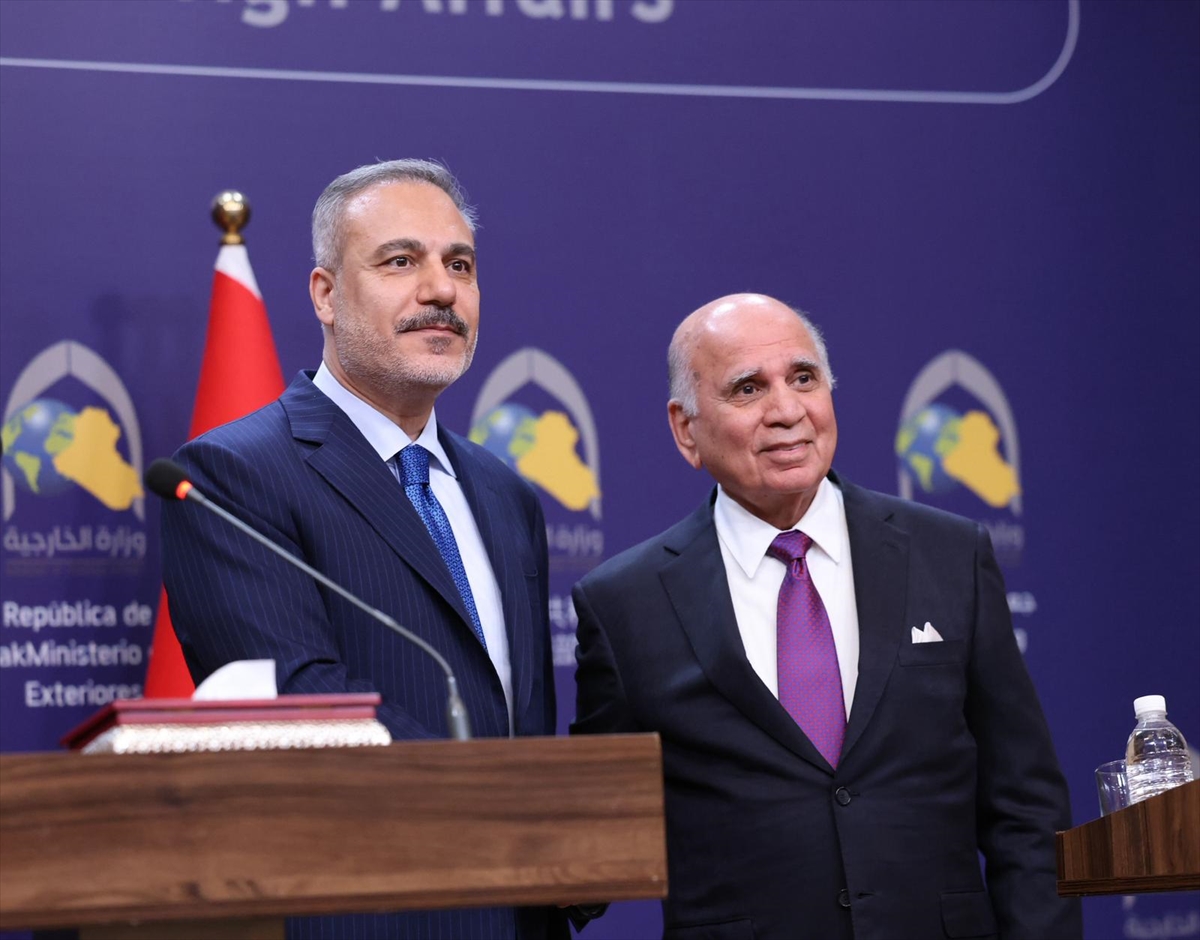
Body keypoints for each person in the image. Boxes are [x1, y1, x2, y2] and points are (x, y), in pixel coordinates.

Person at [571, 294, 1081, 940]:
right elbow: (587, 841)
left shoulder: (949, 555)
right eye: (748, 388)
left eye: (804, 378)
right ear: (686, 429)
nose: (787, 411)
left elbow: (1026, 808)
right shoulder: (625, 604)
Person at [162, 159, 563, 940]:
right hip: (360, 914)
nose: (441, 290)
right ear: (325, 294)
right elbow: (301, 707)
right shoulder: (233, 475)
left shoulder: (505, 494)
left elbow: (522, 721)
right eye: (401, 261)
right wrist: (507, 810)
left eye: (460, 265)